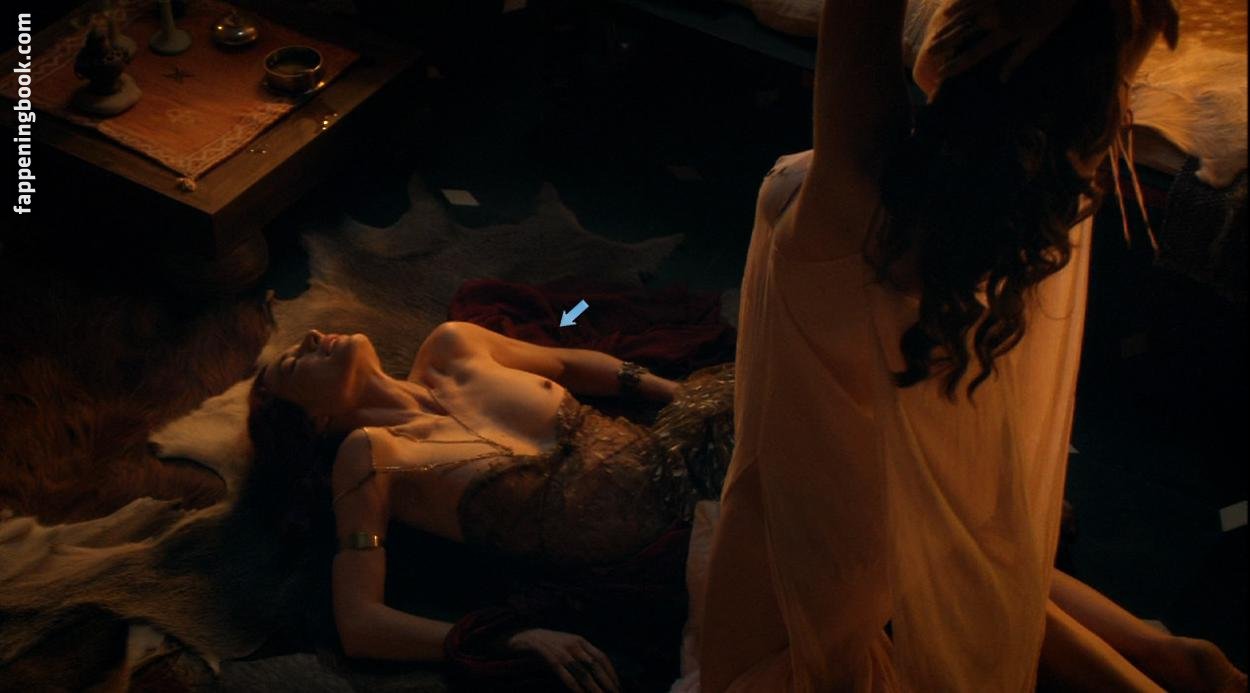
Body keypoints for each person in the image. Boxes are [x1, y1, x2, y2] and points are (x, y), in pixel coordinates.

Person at [699, 0, 1246, 691]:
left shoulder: (856, 202)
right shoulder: (1032, 210)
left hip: (790, 571)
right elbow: (1113, 39)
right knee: (948, 553)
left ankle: (1167, 662)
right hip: (875, 522)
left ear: (973, 44)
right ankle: (1169, 661)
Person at [246, 323, 734, 692]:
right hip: (673, 560)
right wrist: (514, 637)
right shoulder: (371, 457)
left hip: (699, 450)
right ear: (313, 422)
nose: (311, 336)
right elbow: (359, 624)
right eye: (293, 364)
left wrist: (687, 397)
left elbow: (564, 364)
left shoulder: (452, 344)